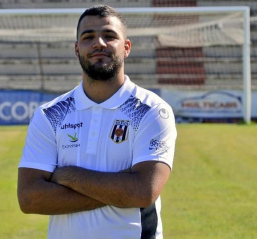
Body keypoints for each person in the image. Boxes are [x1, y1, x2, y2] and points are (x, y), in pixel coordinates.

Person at [17, 5, 177, 239]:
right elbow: (29, 198)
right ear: (76, 48)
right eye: (88, 37)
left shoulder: (151, 110)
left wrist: (68, 177)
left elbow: (143, 191)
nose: (99, 43)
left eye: (109, 36)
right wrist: (120, 190)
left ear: (126, 47)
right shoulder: (50, 114)